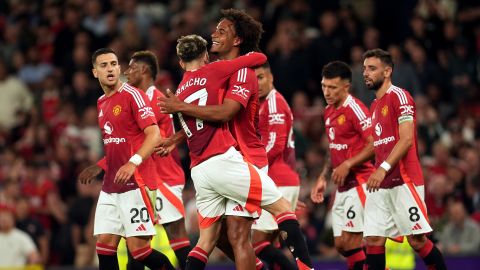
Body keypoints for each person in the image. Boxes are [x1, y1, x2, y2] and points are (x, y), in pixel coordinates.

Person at [160, 9, 311, 270]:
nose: (214, 35)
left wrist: (180, 112)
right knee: (221, 238)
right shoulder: (212, 73)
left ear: (237, 40)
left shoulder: (240, 72)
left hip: (244, 157)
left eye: (221, 31)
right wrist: (177, 137)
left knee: (236, 237)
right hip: (223, 160)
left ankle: (304, 267)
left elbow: (224, 113)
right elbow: (204, 118)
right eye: (215, 30)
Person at [80, 50, 191, 270]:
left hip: (140, 182)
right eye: (104, 65)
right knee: (104, 246)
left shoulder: (135, 95)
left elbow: (154, 134)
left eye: (114, 64)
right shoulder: (101, 102)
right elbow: (119, 142)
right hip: (112, 185)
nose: (110, 69)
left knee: (140, 251)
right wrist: (100, 166)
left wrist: (134, 162)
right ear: (95, 72)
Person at [362, 48, 446, 270]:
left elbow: (406, 139)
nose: (366, 73)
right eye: (364, 69)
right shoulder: (373, 106)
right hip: (380, 184)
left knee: (417, 240)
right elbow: (379, 146)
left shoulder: (400, 96)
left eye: (372, 68)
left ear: (387, 71)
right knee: (373, 240)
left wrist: (383, 168)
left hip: (404, 179)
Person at [124, 50, 191, 270]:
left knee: (176, 235)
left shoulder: (154, 99)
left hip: (164, 178)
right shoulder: (141, 99)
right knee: (138, 243)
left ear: (144, 70)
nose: (127, 72)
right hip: (146, 179)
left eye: (132, 67)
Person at [310, 61, 374, 270]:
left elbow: (374, 144)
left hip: (361, 182)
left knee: (351, 242)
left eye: (333, 87)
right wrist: (323, 177)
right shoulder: (328, 111)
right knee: (340, 245)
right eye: (324, 86)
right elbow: (334, 148)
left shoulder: (355, 109)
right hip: (342, 186)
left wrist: (348, 164)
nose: (326, 92)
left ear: (346, 87)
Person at [252, 62, 299, 269]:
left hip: (276, 179)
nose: (258, 84)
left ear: (271, 77)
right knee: (270, 244)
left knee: (257, 243)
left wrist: (253, 169)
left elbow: (276, 145)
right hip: (279, 179)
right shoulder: (260, 104)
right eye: (253, 80)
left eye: (261, 77)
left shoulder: (274, 104)